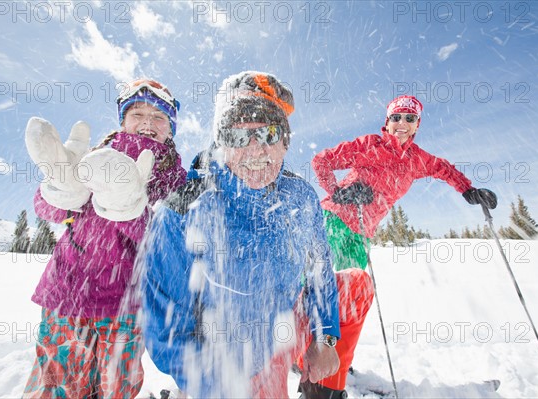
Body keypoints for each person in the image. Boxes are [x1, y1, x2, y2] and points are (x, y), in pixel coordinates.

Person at [141, 71, 374, 399]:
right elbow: (164, 320)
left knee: (355, 286)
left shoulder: (300, 197)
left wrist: (326, 338)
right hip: (231, 359)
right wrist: (209, 382)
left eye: (267, 133)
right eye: (238, 137)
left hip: (283, 320)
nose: (255, 150)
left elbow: (320, 277)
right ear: (222, 145)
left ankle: (320, 388)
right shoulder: (185, 207)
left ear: (285, 140)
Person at [22, 79, 187, 398]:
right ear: (123, 120)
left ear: (171, 129)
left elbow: (168, 242)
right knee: (57, 387)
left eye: (159, 117)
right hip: (67, 297)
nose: (148, 123)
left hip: (126, 308)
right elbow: (47, 209)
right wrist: (58, 191)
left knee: (116, 388)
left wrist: (135, 213)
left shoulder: (175, 179)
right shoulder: (96, 156)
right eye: (138, 113)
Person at [312, 95, 497, 271]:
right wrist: (336, 191)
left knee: (351, 290)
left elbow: (444, 168)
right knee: (312, 276)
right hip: (333, 219)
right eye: (396, 117)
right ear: (387, 122)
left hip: (361, 233)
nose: (402, 123)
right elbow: (321, 161)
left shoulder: (416, 159)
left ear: (417, 125)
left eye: (410, 118)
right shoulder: (370, 145)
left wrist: (468, 190)